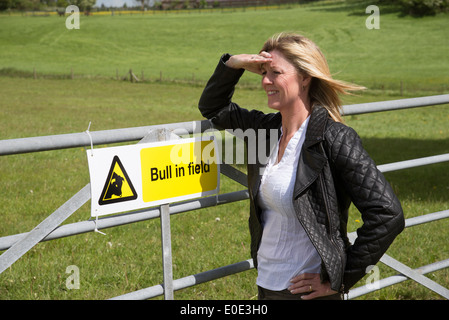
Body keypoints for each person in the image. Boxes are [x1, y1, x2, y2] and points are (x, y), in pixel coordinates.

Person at [198, 32, 404, 300]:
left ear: (305, 77)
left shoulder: (334, 138)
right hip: (267, 285)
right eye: (263, 73)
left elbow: (388, 214)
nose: (266, 81)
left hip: (308, 293)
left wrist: (341, 279)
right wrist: (233, 64)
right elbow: (213, 108)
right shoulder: (267, 131)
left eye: (276, 72)